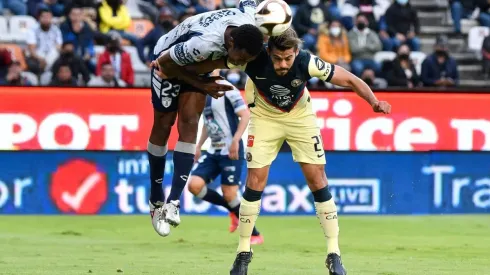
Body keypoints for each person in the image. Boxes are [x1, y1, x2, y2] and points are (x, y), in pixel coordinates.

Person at [214, 28, 391, 275]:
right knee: (254, 182)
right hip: (264, 117)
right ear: (269, 52)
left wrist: (373, 101)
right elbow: (210, 59)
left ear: (296, 52)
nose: (283, 64)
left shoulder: (308, 62)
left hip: (300, 116)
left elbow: (350, 79)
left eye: (288, 58)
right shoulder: (252, 59)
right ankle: (243, 253)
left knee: (318, 180)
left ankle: (334, 254)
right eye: (277, 58)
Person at [147, 0, 264, 238]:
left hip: (201, 65)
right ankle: (155, 195)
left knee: (190, 122)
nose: (240, 64)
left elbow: (249, 3)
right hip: (168, 58)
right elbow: (165, 67)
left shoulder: (248, 25)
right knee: (164, 124)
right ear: (231, 42)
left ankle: (173, 202)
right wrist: (201, 83)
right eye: (240, 57)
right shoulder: (202, 44)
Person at [187, 75, 264, 244]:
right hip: (214, 150)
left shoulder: (227, 89)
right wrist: (199, 145)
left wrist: (236, 140)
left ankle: (255, 234)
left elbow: (245, 115)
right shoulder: (204, 92)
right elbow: (209, 123)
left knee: (230, 194)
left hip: (231, 151)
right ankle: (233, 211)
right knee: (194, 185)